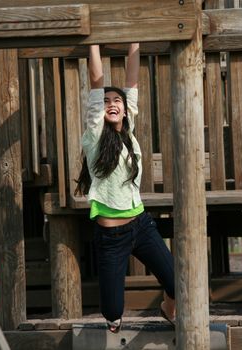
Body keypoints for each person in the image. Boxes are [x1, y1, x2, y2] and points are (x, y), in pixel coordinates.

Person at [75, 43, 176, 333]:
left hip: (141, 225)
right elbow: (96, 79)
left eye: (117, 100)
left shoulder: (129, 132)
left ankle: (168, 309)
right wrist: (92, 42)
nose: (112, 103)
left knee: (177, 284)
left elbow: (132, 81)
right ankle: (113, 317)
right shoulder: (94, 136)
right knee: (113, 315)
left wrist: (134, 42)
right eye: (106, 101)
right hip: (111, 235)